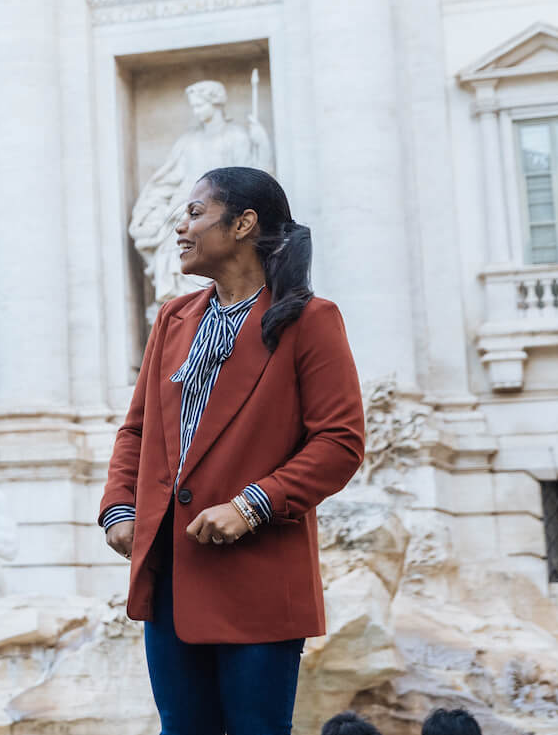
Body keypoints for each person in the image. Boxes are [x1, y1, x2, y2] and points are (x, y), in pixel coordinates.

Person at [100, 166, 365, 735]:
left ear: (244, 224)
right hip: (170, 573)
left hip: (259, 578)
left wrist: (252, 505)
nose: (180, 227)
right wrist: (120, 508)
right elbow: (138, 430)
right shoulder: (173, 318)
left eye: (195, 212)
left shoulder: (312, 321)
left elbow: (340, 442)